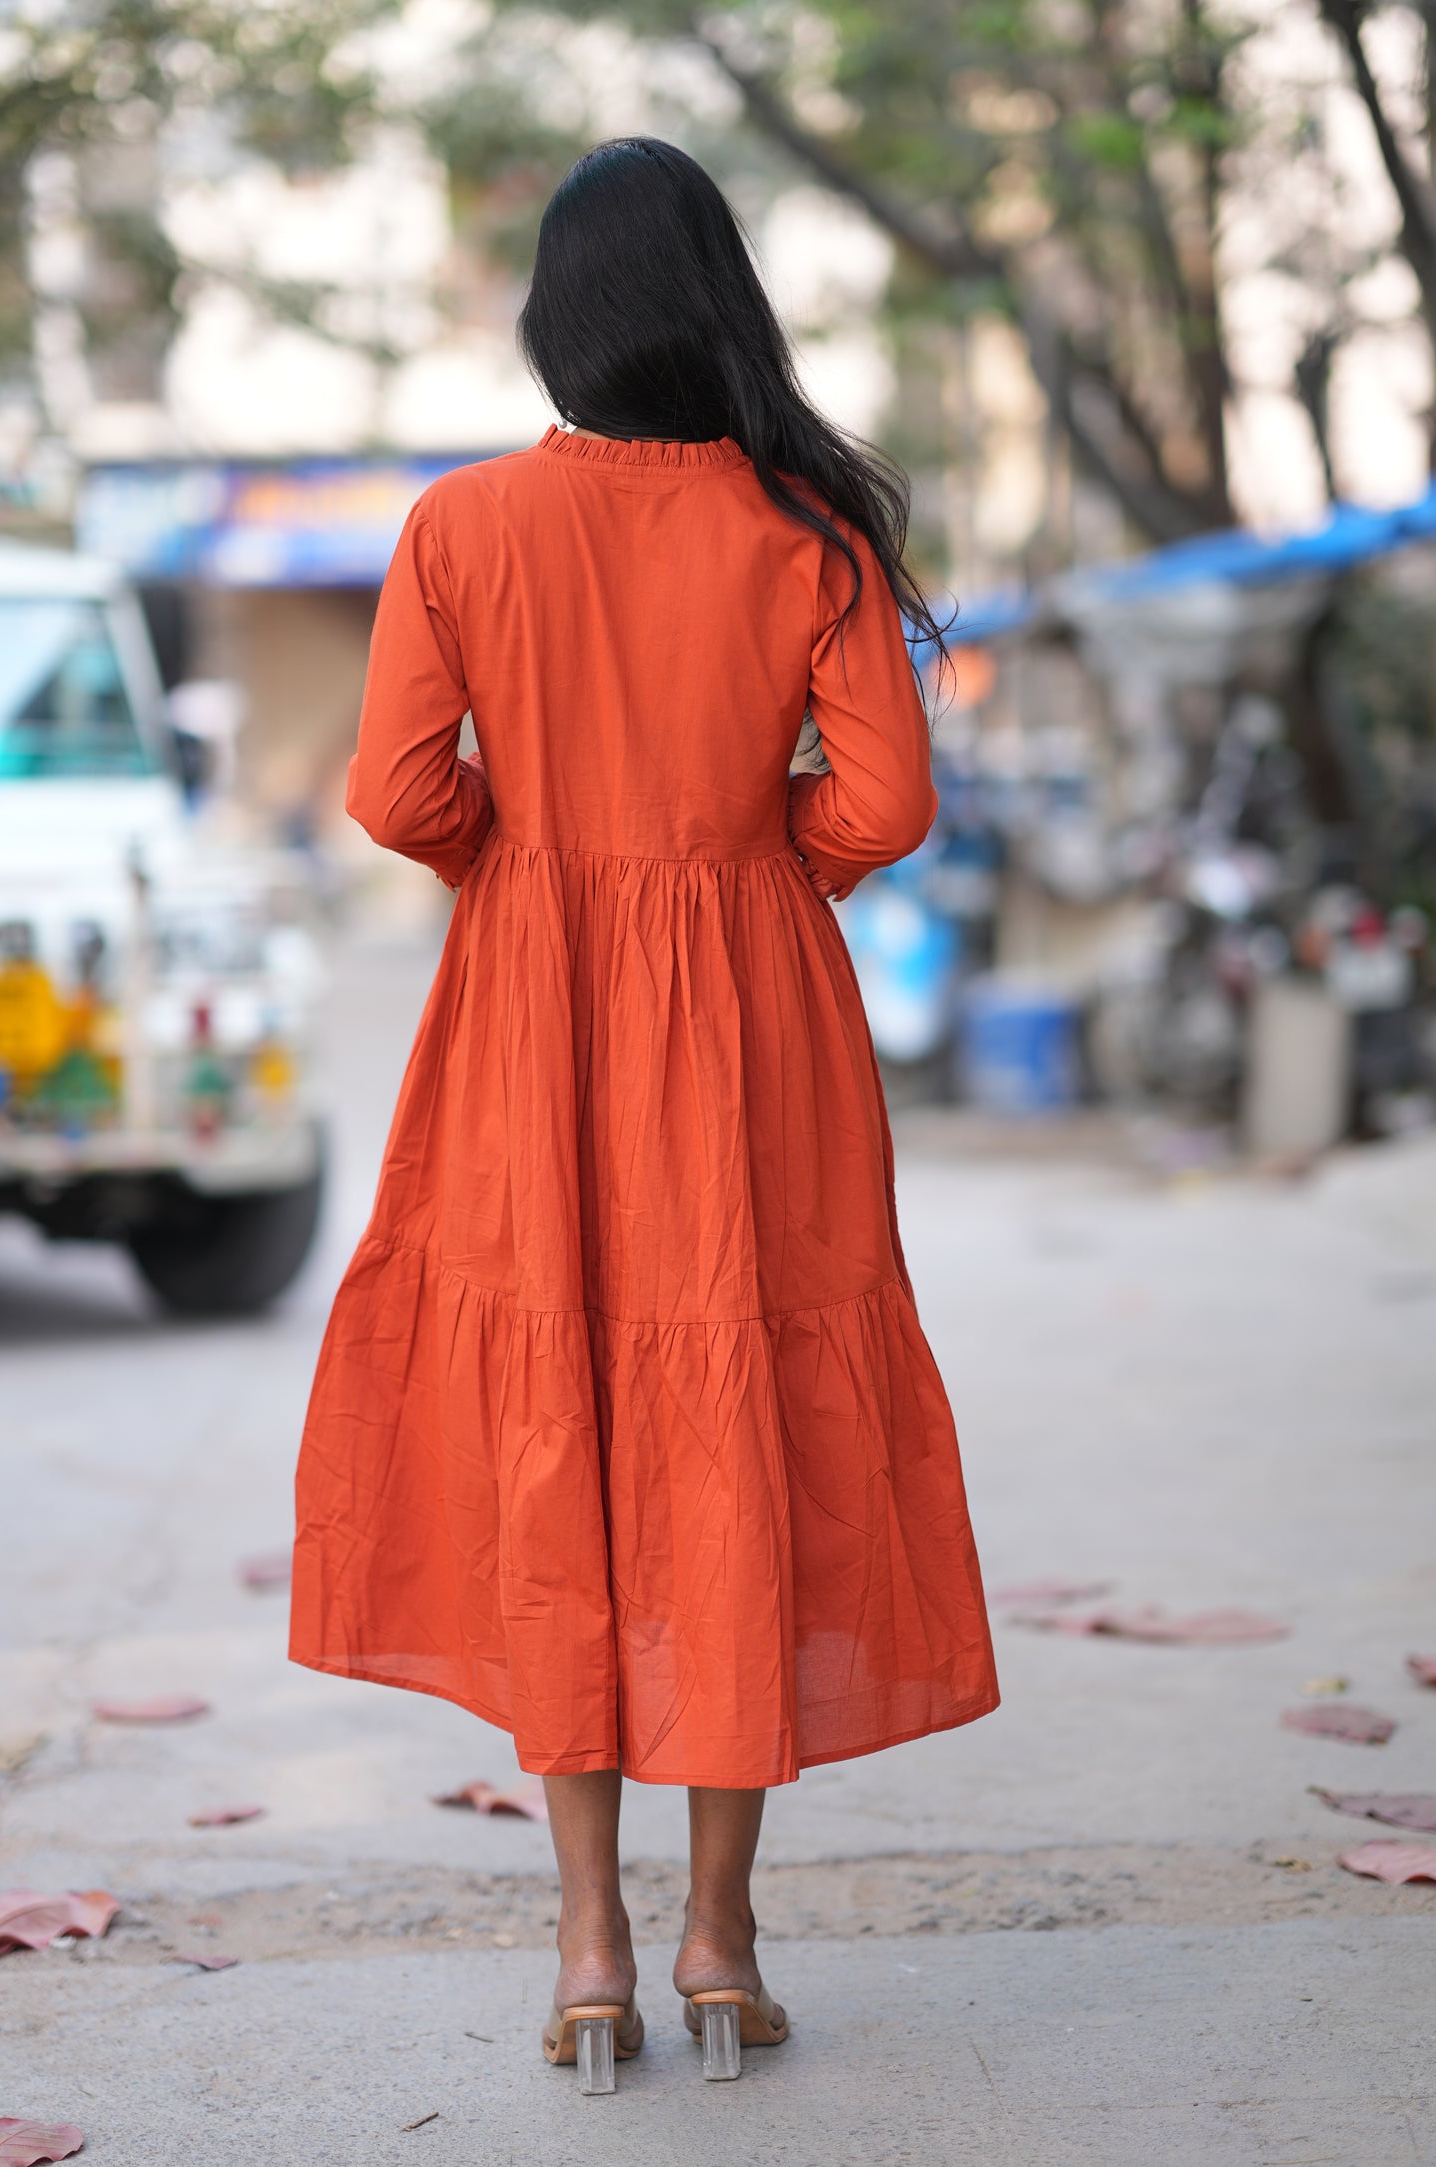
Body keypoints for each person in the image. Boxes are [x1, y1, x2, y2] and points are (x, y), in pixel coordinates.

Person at [290, 135, 998, 2093]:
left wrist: (534, 864)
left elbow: (394, 790)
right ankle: (720, 1932)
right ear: (719, 313)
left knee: (562, 1441)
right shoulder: (811, 534)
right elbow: (888, 807)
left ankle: (587, 1944)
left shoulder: (463, 528)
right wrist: (745, 861)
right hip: (754, 1013)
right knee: (733, 1425)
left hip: (531, 1010)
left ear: (555, 318)